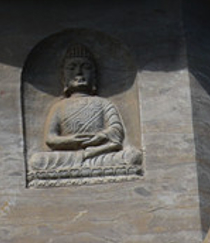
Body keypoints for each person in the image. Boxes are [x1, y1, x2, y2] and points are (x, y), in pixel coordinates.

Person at [29, 44, 141, 177]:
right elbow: (51, 139)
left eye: (85, 67)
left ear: (94, 76)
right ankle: (84, 161)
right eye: (72, 68)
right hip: (70, 156)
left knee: (132, 156)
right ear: (64, 77)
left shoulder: (103, 103)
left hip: (100, 152)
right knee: (38, 161)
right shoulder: (59, 107)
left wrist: (100, 137)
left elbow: (116, 131)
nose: (79, 73)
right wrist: (72, 141)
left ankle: (85, 161)